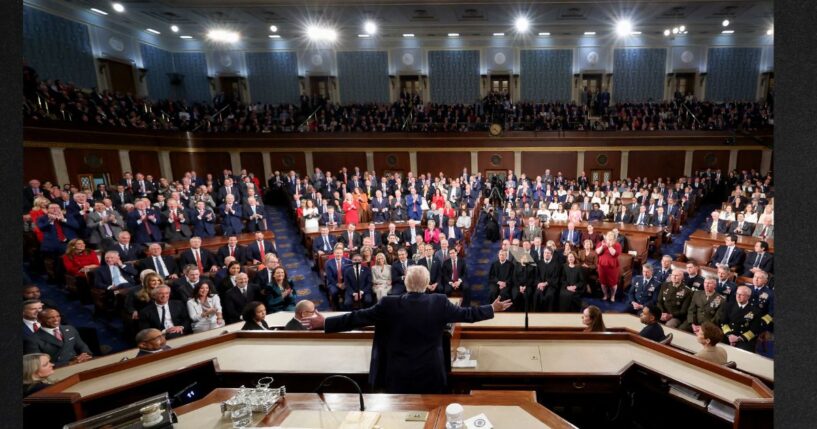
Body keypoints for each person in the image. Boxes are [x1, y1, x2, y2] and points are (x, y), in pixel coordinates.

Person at [301, 265, 512, 393]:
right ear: (428, 282)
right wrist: (491, 309)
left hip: (398, 374)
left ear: (406, 283)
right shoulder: (439, 302)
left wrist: (325, 323)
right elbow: (468, 315)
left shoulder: (388, 304)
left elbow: (356, 318)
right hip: (431, 373)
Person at [24, 308, 93, 367]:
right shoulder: (32, 339)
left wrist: (85, 355)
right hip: (57, 369)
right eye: (50, 318)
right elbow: (38, 364)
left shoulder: (70, 329)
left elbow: (81, 345)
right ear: (39, 320)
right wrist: (69, 363)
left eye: (58, 316)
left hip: (78, 363)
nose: (56, 319)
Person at [595, 232, 622, 301]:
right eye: (608, 239)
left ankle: (613, 295)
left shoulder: (617, 245)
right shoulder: (601, 243)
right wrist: (602, 246)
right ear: (606, 238)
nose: (609, 240)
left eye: (611, 239)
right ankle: (605, 295)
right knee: (603, 283)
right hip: (601, 267)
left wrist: (609, 246)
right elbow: (597, 252)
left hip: (612, 268)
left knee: (613, 284)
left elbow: (614, 254)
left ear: (614, 239)